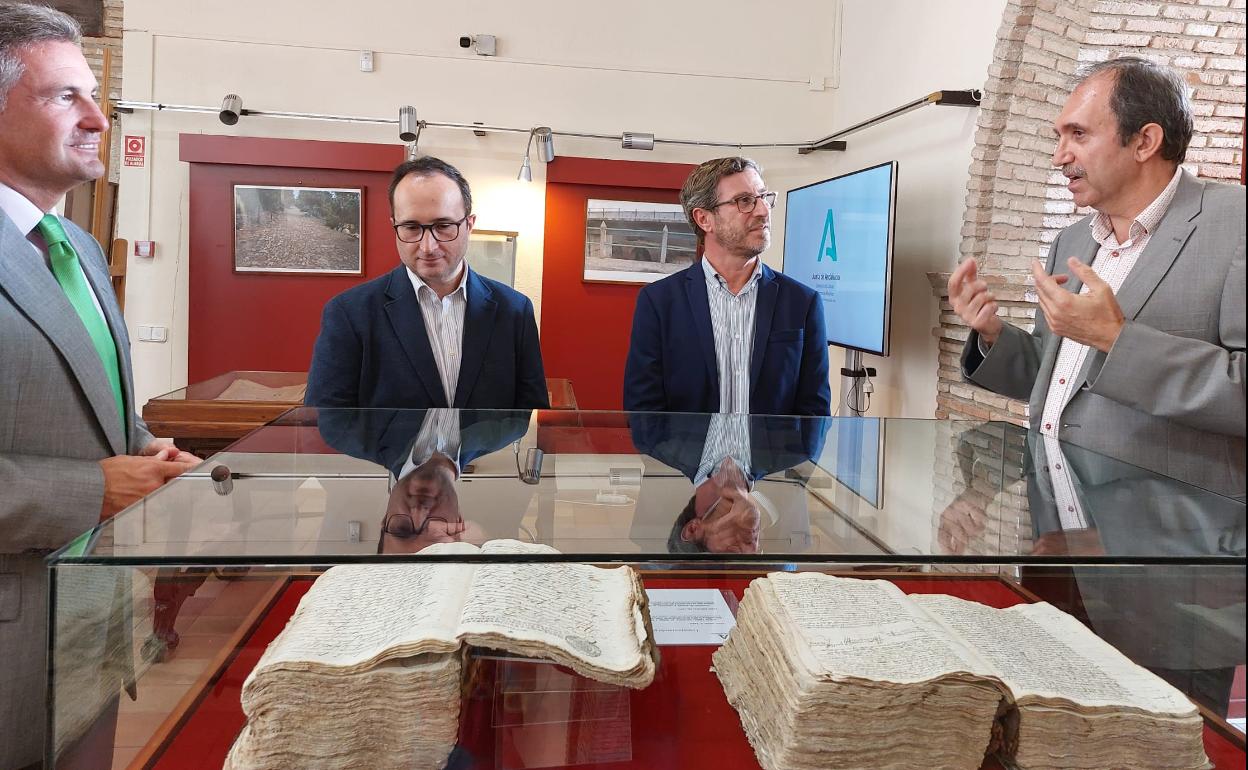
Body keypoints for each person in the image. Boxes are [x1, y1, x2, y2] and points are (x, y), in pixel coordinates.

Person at [0, 4, 197, 767]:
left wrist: (144, 450)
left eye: (96, 96)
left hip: (92, 627)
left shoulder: (78, 247)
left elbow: (86, 403)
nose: (97, 119)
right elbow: (91, 479)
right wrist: (94, 490)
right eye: (65, 97)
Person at [948, 56, 1245, 498]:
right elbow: (1055, 375)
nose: (1059, 157)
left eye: (1079, 134)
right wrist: (993, 334)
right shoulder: (1070, 242)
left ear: (1144, 141)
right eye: (1059, 137)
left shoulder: (1236, 224)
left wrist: (1116, 338)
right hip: (1056, 514)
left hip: (1168, 530)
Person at [305, 157, 549, 410]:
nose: (428, 246)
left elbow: (533, 414)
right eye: (411, 227)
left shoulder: (515, 310)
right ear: (394, 226)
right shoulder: (349, 313)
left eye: (443, 226)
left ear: (469, 225)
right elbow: (325, 418)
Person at [623, 156, 831, 416]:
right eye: (744, 201)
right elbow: (642, 410)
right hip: (687, 446)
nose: (763, 210)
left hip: (772, 446)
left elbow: (815, 411)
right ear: (704, 219)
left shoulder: (802, 302)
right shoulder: (658, 303)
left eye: (764, 197)